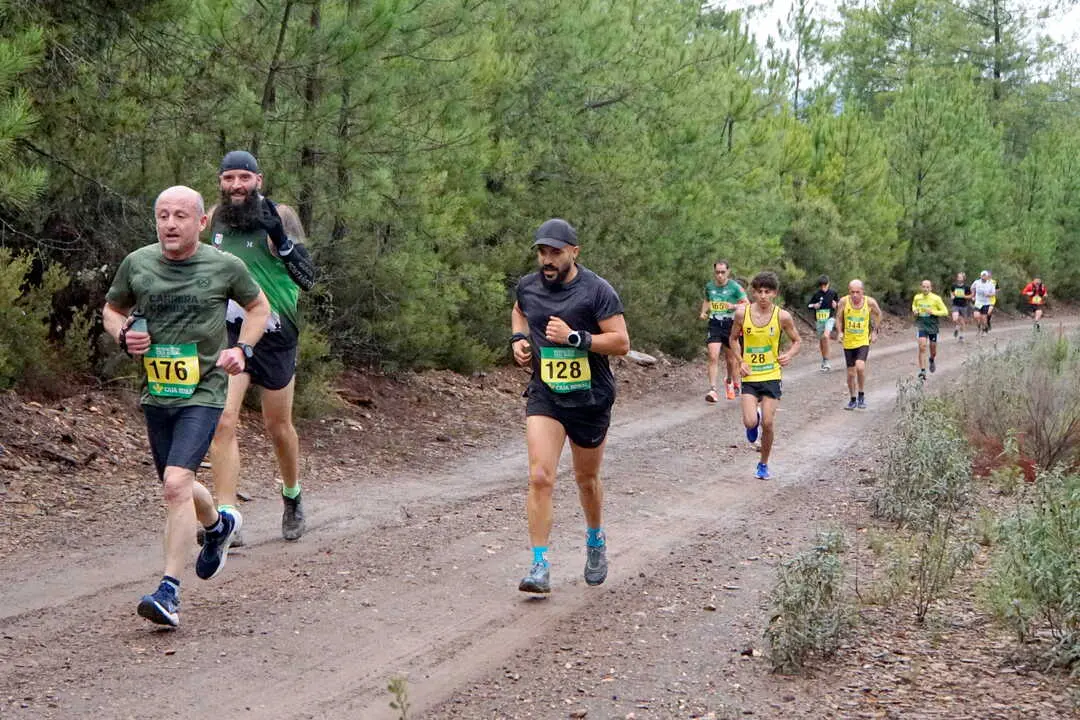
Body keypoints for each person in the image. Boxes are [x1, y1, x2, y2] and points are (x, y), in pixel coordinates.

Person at [103, 186, 270, 627]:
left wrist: (243, 351)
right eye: (162, 215)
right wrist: (123, 334)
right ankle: (217, 526)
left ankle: (168, 593)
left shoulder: (224, 266)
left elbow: (258, 308)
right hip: (158, 392)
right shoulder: (138, 263)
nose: (170, 224)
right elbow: (112, 309)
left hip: (206, 390)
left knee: (176, 484)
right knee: (176, 485)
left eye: (180, 216)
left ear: (200, 223)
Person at [510, 218, 630, 595]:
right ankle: (540, 564)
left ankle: (595, 540)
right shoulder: (528, 287)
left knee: (585, 479)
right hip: (546, 393)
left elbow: (621, 342)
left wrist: (576, 337)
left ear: (574, 252)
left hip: (590, 398)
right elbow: (519, 310)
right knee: (540, 476)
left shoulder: (596, 291)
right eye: (542, 252)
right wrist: (518, 338)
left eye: (555, 252)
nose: (547, 259)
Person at [207, 151, 317, 545]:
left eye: (244, 178)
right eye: (229, 178)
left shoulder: (280, 215)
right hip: (233, 335)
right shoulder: (216, 218)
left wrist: (282, 241)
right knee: (223, 419)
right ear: (220, 181)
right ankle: (226, 518)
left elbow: (309, 280)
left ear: (259, 179)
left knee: (278, 427)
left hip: (277, 335)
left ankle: (292, 496)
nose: (236, 185)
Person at [729, 271, 801, 480]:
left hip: (771, 375)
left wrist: (788, 354)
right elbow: (733, 339)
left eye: (767, 292)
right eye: (759, 291)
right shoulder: (742, 314)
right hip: (750, 376)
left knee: (768, 424)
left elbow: (797, 340)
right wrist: (741, 361)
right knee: (751, 422)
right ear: (753, 292)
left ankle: (763, 463)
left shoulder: (782, 316)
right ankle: (754, 420)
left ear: (774, 294)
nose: (762, 296)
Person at [699, 261, 747, 401]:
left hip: (730, 325)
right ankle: (713, 390)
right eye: (717, 272)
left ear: (728, 272)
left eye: (722, 272)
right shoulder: (709, 286)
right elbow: (707, 300)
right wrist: (703, 312)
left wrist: (733, 306)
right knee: (712, 355)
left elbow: (747, 303)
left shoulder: (735, 287)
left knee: (731, 360)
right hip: (714, 323)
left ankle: (730, 381)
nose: (719, 275)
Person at [835, 279, 882, 410]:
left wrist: (875, 331)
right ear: (849, 291)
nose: (855, 295)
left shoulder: (870, 302)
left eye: (857, 292)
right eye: (852, 292)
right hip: (849, 342)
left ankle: (861, 395)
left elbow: (878, 315)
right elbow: (838, 317)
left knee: (860, 367)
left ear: (863, 292)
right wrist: (839, 332)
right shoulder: (844, 302)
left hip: (863, 341)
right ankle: (852, 399)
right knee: (850, 374)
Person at [911, 280, 949, 380]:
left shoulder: (936, 298)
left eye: (927, 287)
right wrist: (914, 310)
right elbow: (914, 305)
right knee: (922, 346)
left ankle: (931, 359)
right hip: (921, 324)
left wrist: (933, 312)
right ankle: (923, 371)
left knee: (933, 350)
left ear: (931, 288)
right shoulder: (917, 297)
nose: (925, 289)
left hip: (932, 325)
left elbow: (945, 312)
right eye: (923, 287)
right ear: (921, 287)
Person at [807, 274, 838, 371]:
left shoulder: (833, 293)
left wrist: (836, 305)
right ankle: (824, 361)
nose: (823, 288)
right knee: (822, 342)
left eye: (825, 285)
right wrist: (814, 305)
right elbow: (809, 305)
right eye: (821, 286)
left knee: (825, 337)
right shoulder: (816, 294)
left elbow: (839, 303)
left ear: (828, 284)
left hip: (830, 318)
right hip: (819, 321)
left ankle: (827, 362)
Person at [971, 270, 996, 335]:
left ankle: (985, 329)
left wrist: (988, 295)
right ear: (980, 276)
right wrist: (973, 295)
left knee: (984, 318)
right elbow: (972, 288)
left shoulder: (990, 284)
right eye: (982, 275)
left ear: (987, 277)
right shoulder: (976, 282)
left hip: (986, 303)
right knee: (976, 316)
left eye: (985, 275)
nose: (984, 277)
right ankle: (979, 328)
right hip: (978, 302)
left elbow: (993, 293)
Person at [949, 272, 971, 340]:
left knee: (962, 321)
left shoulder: (967, 287)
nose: (959, 278)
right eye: (958, 277)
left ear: (963, 278)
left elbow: (970, 295)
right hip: (955, 304)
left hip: (963, 305)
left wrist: (964, 296)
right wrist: (952, 296)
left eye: (960, 277)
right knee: (955, 318)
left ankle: (962, 336)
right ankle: (957, 326)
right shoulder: (954, 285)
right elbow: (951, 292)